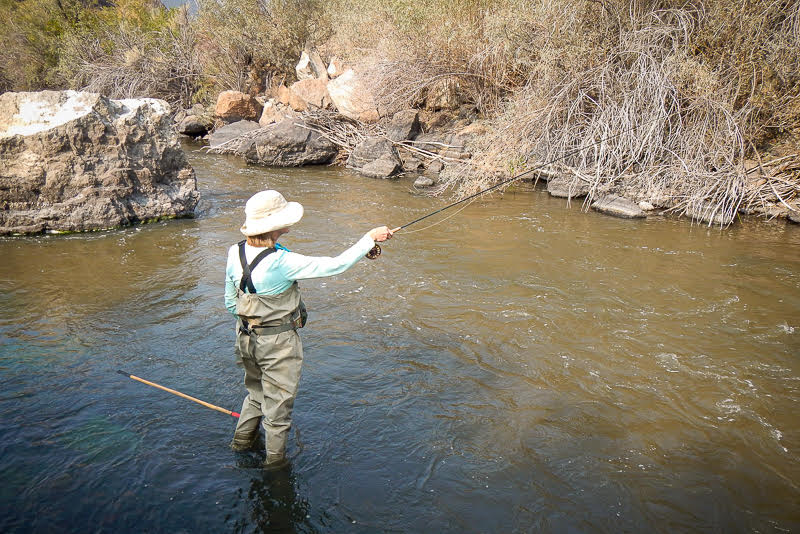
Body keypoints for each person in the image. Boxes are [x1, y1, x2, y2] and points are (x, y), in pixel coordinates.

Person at [224, 190, 394, 468]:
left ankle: (239, 447)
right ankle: (275, 470)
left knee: (255, 396)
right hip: (278, 344)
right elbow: (335, 265)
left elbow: (231, 301)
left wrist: (252, 323)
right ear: (275, 224)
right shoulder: (282, 262)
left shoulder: (235, 251)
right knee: (278, 413)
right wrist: (369, 239)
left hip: (244, 337)